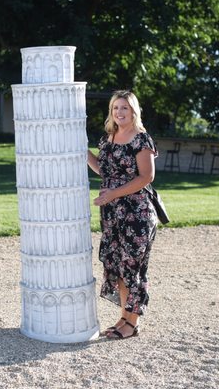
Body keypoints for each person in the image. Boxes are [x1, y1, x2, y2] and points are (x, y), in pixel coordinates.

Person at [87, 90, 158, 339]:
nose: (119, 112)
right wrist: (84, 153)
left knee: (133, 266)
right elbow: (103, 169)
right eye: (116, 108)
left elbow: (146, 177)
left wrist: (113, 194)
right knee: (117, 265)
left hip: (136, 213)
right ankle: (124, 318)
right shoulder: (109, 138)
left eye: (125, 108)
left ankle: (133, 322)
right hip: (112, 213)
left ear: (134, 111)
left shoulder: (141, 139)